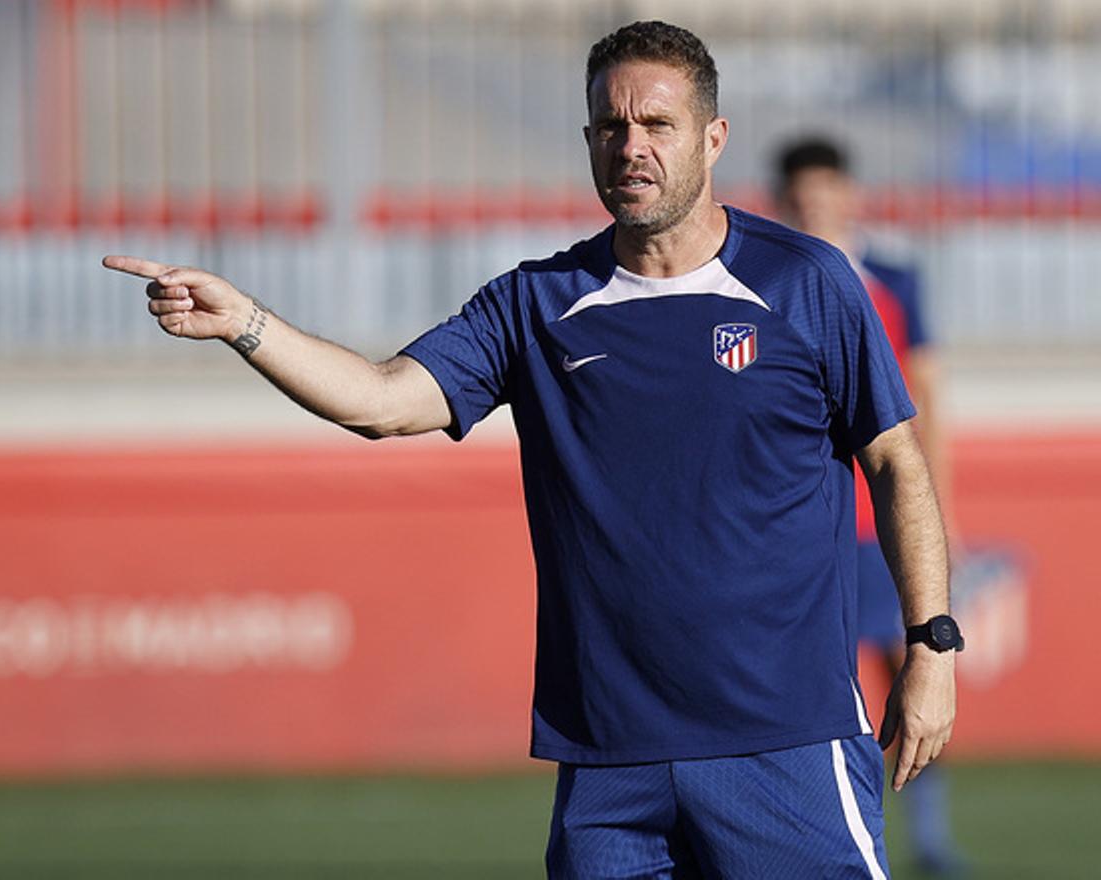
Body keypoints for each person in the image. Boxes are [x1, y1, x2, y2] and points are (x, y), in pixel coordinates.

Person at [104, 21, 959, 878]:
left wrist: (931, 645)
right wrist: (246, 323)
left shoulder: (805, 282)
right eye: (611, 128)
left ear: (713, 138)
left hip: (785, 746)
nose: (632, 147)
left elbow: (895, 463)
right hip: (606, 764)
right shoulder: (536, 302)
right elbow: (381, 401)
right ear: (589, 141)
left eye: (657, 125)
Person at [775, 137, 966, 877]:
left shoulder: (892, 280)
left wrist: (941, 516)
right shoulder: (767, 279)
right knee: (818, 683)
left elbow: (927, 404)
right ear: (785, 200)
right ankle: (829, 829)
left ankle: (932, 838)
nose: (816, 207)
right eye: (803, 195)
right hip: (806, 528)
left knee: (917, 665)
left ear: (850, 195)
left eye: (828, 192)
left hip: (883, 523)